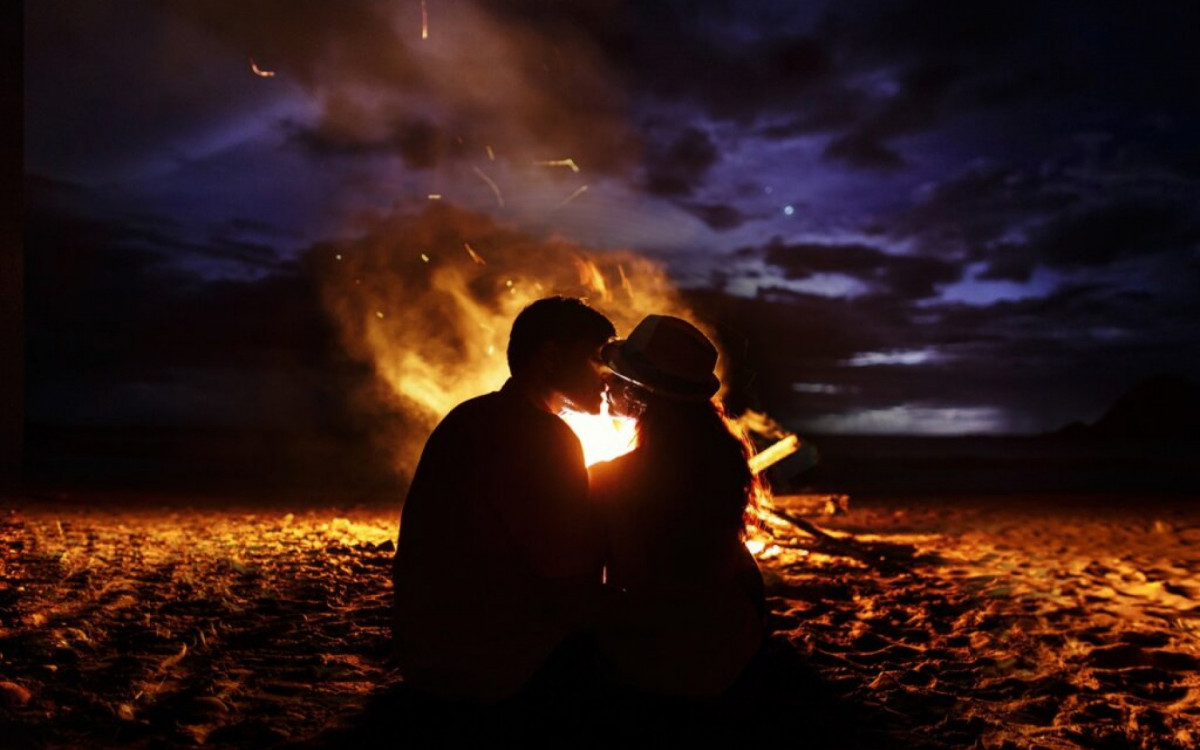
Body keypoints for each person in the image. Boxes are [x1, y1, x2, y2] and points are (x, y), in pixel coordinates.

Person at [391, 296, 615, 703]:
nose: (607, 380)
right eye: (598, 361)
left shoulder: (469, 415)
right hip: (492, 663)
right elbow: (566, 572)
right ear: (550, 358)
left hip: (425, 653)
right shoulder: (542, 437)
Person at [590, 314, 766, 698]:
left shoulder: (608, 478)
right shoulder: (725, 465)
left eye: (619, 377)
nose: (607, 385)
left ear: (640, 394)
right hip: (729, 649)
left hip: (655, 659)